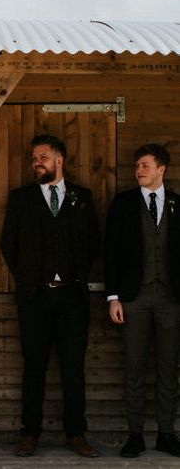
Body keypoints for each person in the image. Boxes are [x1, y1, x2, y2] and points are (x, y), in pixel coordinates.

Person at [0, 134, 100, 458]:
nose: (36, 162)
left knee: (73, 369)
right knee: (34, 368)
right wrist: (30, 280)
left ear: (60, 160)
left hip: (73, 298)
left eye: (42, 156)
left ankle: (76, 433)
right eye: (33, 158)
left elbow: (93, 243)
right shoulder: (21, 199)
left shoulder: (81, 197)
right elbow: (8, 245)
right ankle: (29, 434)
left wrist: (74, 276)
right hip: (35, 298)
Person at [104, 143, 180, 458]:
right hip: (133, 298)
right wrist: (113, 297)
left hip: (171, 299)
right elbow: (112, 253)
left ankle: (166, 433)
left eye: (145, 165)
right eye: (137, 165)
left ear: (161, 169)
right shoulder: (122, 204)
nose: (139, 171)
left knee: (168, 367)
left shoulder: (178, 204)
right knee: (133, 367)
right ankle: (134, 435)